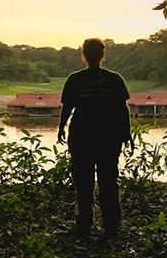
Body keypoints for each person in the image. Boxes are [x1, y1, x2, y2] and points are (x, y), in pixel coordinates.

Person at [57, 38, 134, 238]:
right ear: (102, 55)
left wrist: (61, 128)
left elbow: (67, 107)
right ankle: (111, 226)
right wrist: (127, 133)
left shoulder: (75, 79)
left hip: (81, 136)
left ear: (84, 55)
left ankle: (84, 225)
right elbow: (122, 109)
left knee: (83, 182)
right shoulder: (114, 79)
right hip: (109, 137)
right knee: (109, 180)